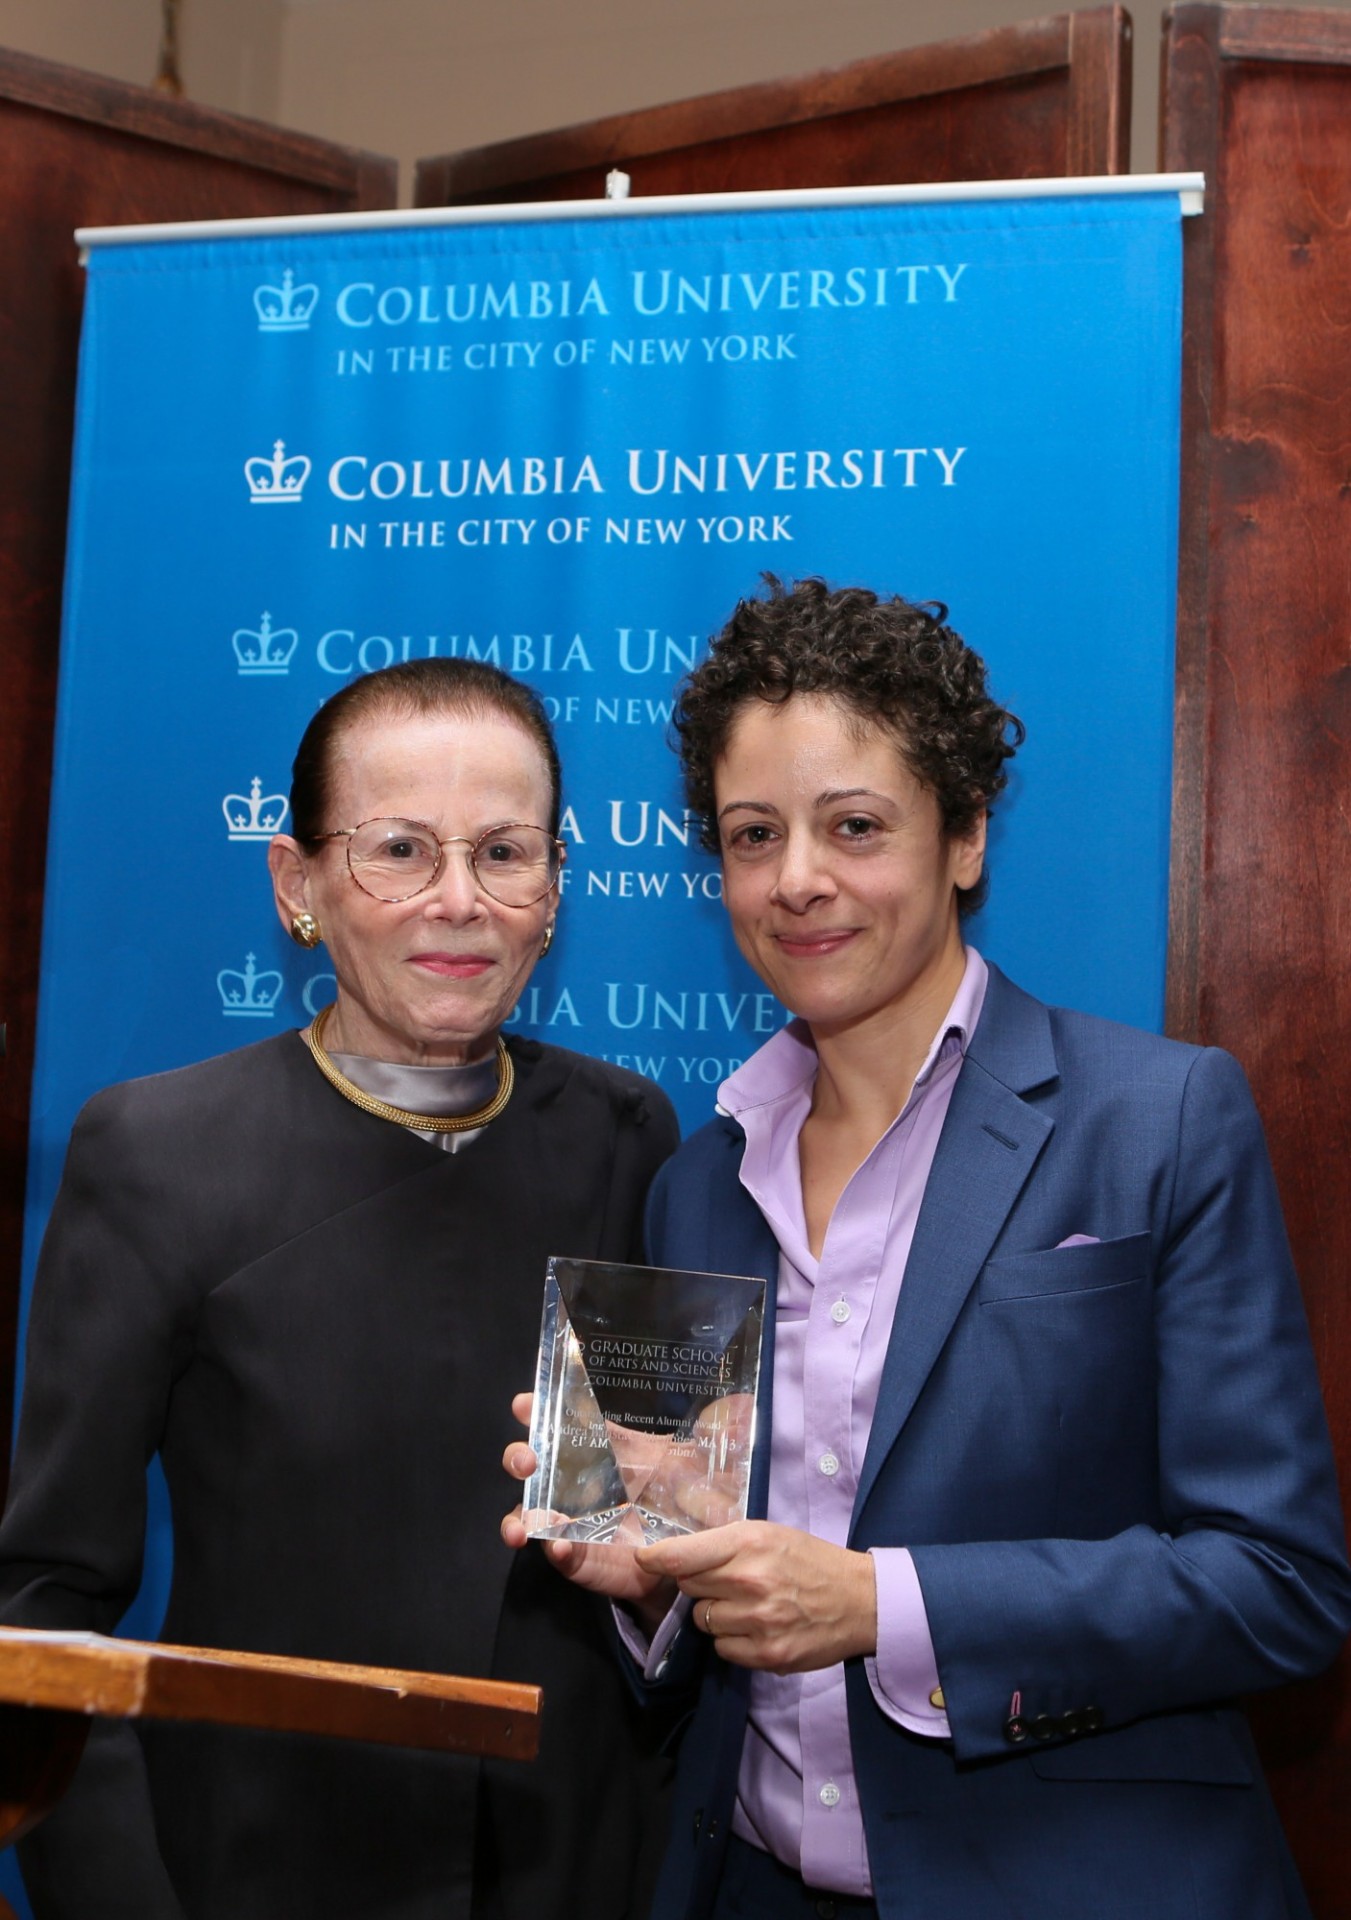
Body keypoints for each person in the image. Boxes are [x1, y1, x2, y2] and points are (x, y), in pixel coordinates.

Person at [504, 577, 1351, 1920]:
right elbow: (698, 1617)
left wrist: (880, 1607)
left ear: (962, 837)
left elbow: (1275, 1585)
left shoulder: (1156, 1119)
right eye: (749, 834)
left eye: (853, 826)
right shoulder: (695, 1185)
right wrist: (648, 1580)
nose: (796, 881)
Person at [0, 657, 679, 1920]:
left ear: (553, 891)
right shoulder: (158, 1152)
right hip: (252, 1869)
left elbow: (639, 1541)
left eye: (506, 852)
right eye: (401, 851)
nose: (460, 903)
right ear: (297, 882)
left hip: (569, 1872)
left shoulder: (629, 1135)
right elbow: (39, 1607)